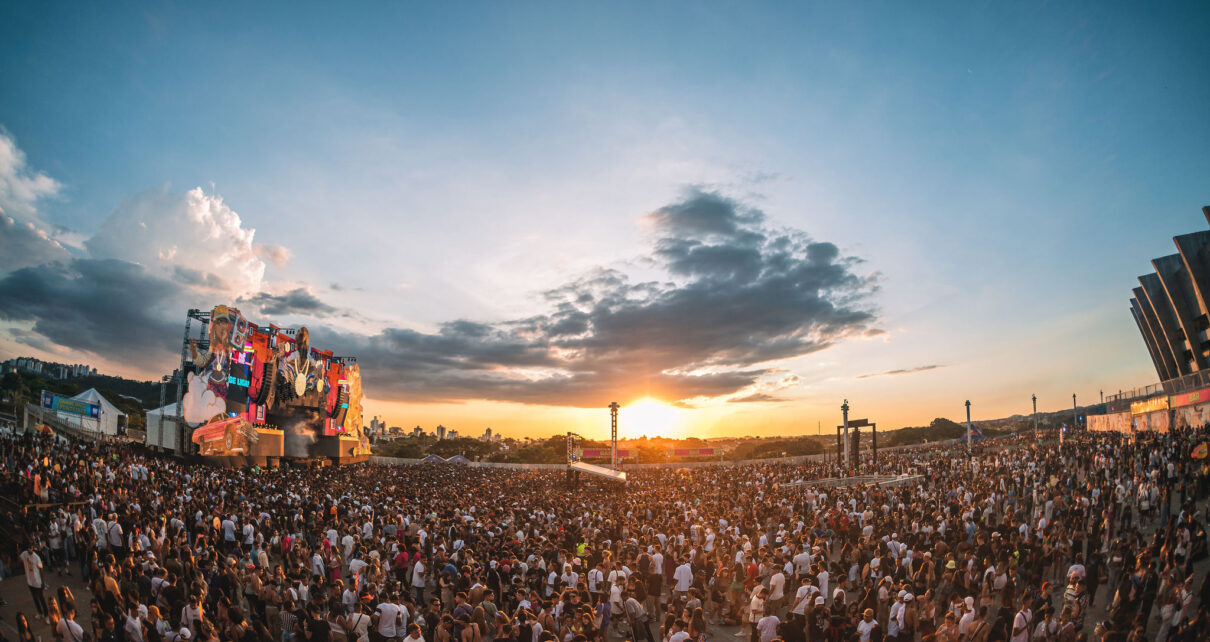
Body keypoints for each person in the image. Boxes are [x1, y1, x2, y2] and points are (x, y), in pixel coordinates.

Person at [19, 541, 49, 622]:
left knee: (41, 598)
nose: (29, 550)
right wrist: (17, 550)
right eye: (28, 548)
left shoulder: (36, 557)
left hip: (37, 581)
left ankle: (47, 615)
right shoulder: (24, 554)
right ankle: (40, 613)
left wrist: (43, 582)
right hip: (30, 581)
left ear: (33, 548)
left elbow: (41, 570)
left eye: (31, 548)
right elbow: (20, 559)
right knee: (35, 598)